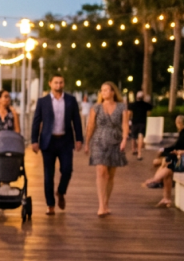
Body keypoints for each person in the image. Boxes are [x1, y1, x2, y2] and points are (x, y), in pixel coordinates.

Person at [31, 75, 84, 215]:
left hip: (65, 141)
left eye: (61, 82)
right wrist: (34, 140)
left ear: (63, 83)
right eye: (56, 82)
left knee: (67, 170)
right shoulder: (43, 102)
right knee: (48, 175)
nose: (58, 85)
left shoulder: (71, 100)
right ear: (50, 84)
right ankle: (50, 205)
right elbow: (36, 121)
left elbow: (76, 120)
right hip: (48, 142)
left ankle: (61, 191)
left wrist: (79, 139)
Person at [85, 81, 129, 216]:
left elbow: (125, 125)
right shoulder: (96, 107)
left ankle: (106, 203)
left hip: (115, 141)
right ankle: (101, 206)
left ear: (113, 92)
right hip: (99, 141)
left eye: (106, 90)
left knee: (110, 175)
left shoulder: (122, 107)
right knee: (101, 172)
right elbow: (91, 125)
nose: (103, 92)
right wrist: (87, 143)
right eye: (102, 90)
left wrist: (124, 140)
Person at [143, 115, 184, 207]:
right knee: (167, 166)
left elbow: (178, 148)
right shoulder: (182, 133)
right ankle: (166, 197)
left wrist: (179, 152)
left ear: (178, 123)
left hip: (181, 159)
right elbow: (177, 147)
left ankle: (156, 179)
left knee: (167, 163)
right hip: (180, 158)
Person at [127, 93, 153, 160]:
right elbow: (149, 112)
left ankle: (133, 149)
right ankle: (139, 154)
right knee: (140, 136)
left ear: (136, 97)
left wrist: (128, 121)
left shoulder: (132, 104)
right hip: (142, 122)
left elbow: (129, 113)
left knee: (133, 136)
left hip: (134, 122)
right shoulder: (146, 105)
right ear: (143, 97)